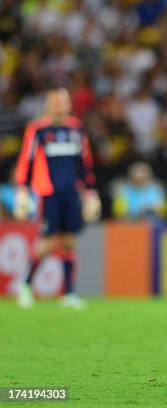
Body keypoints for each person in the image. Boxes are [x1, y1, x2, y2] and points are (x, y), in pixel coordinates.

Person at [14, 87, 100, 309]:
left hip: (71, 192)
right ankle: (25, 286)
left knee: (70, 242)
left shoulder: (76, 129)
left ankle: (69, 294)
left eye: (63, 101)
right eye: (55, 101)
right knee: (47, 243)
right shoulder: (38, 130)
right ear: (48, 104)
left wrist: (90, 191)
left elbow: (85, 163)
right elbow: (27, 159)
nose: (60, 105)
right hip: (48, 193)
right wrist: (23, 189)